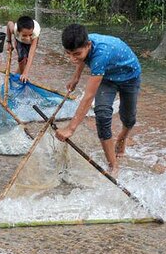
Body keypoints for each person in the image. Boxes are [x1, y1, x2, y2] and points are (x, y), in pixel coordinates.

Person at [55, 24, 141, 177]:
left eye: (76, 54)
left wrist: (70, 128)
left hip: (129, 76)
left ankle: (122, 137)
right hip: (107, 77)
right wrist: (76, 77)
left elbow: (88, 97)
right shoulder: (83, 43)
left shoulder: (101, 54)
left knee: (129, 118)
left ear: (88, 45)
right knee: (102, 114)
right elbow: (82, 59)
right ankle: (113, 165)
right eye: (68, 53)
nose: (72, 58)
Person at [6, 15, 41, 83]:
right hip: (19, 40)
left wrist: (26, 73)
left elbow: (31, 54)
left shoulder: (35, 34)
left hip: (32, 42)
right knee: (22, 59)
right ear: (18, 32)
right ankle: (21, 80)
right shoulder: (14, 29)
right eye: (25, 35)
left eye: (29, 35)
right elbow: (9, 23)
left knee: (27, 60)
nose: (27, 38)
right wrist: (9, 42)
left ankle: (17, 78)